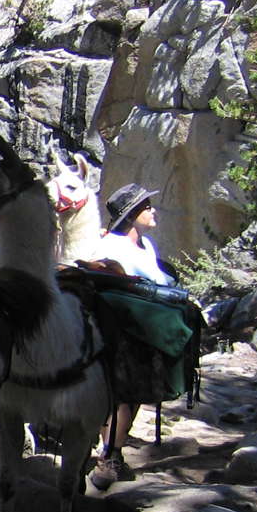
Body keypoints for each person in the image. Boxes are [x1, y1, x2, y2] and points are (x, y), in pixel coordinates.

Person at [89, 182, 174, 490]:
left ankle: (114, 452)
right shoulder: (110, 248)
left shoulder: (146, 245)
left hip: (143, 331)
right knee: (120, 395)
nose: (152, 211)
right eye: (145, 207)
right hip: (119, 333)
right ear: (131, 214)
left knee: (132, 395)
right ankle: (108, 456)